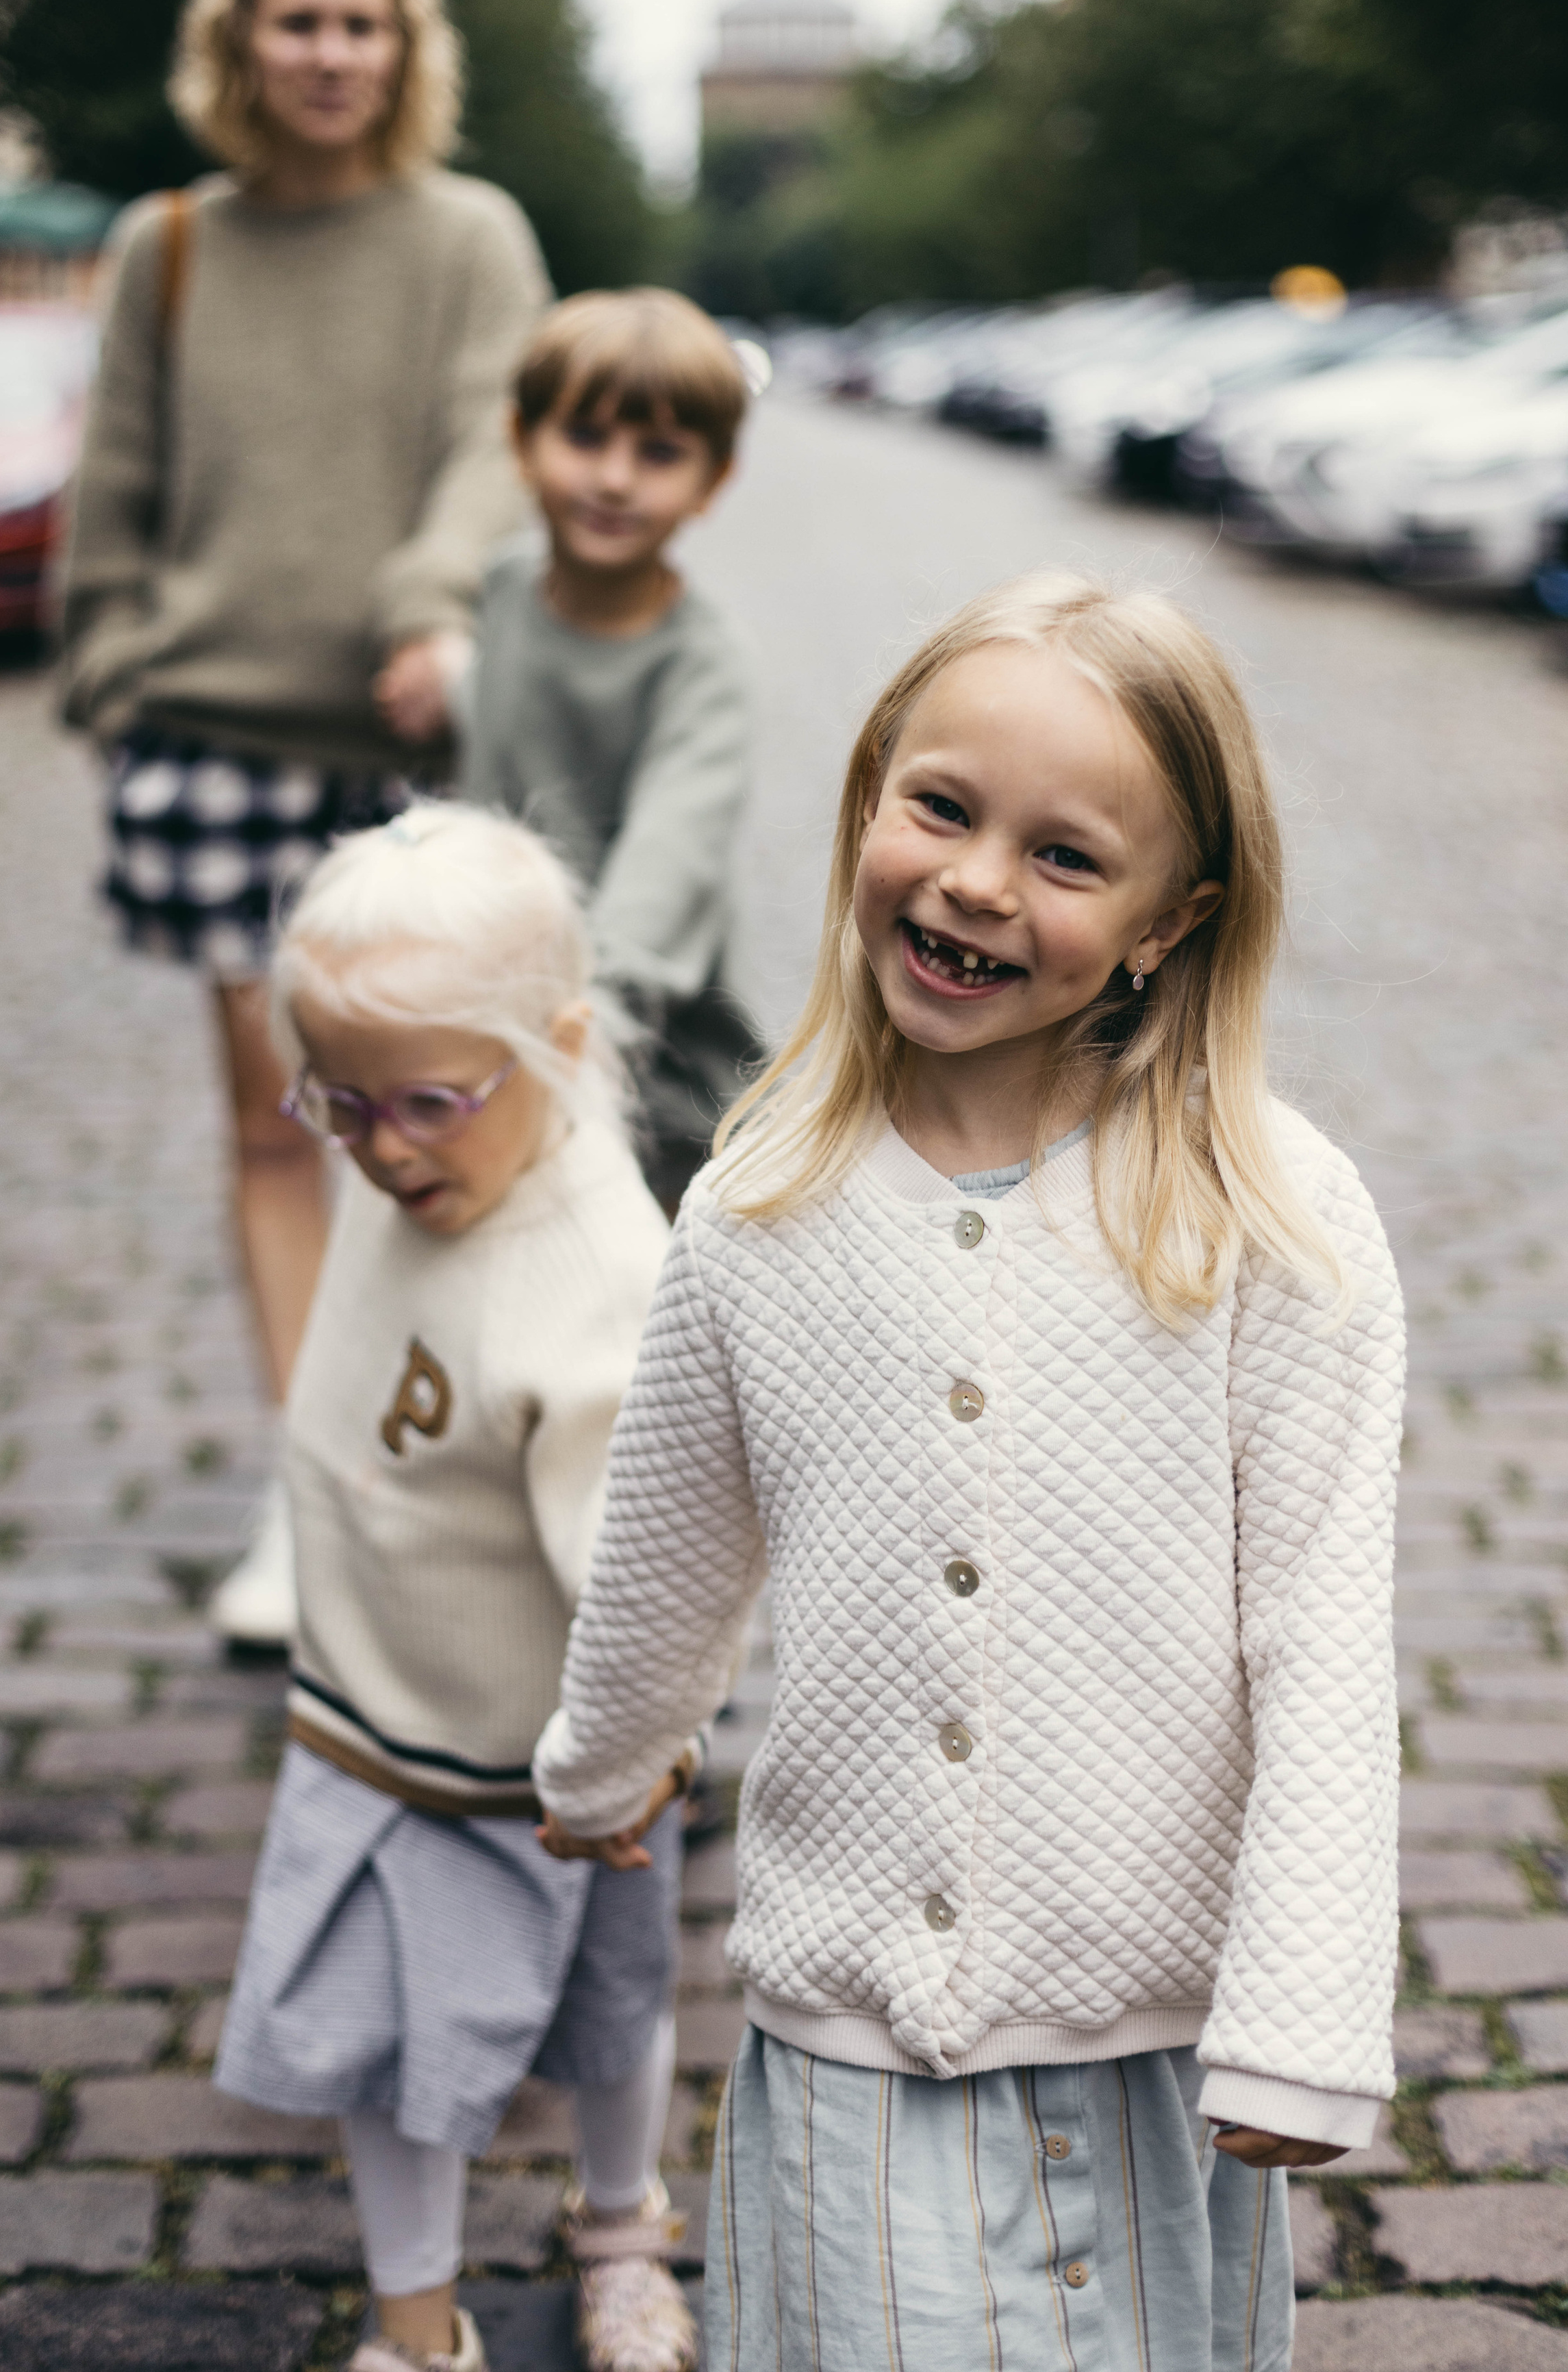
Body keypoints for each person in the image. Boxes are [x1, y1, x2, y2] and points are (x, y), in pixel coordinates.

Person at [534, 572, 1404, 2370]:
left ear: (1175, 919)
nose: (976, 882)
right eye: (939, 806)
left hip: (1151, 2041)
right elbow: (671, 1545)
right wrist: (605, 1761)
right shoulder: (757, 1206)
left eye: (1068, 856)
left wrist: (1304, 2015)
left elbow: (1321, 1631)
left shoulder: (1276, 1221)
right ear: (867, 800)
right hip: (852, 2031)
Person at [58, 0, 548, 1644]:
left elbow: (493, 449)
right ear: (243, 43)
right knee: (281, 1140)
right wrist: (112, 663)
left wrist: (431, 603)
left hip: (409, 755)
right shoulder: (165, 247)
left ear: (401, 41)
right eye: (299, 21)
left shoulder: (470, 235)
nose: (331, 52)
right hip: (211, 745)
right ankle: (319, 1494)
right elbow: (109, 481)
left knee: (437, 1128)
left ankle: (461, 1475)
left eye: (362, 22)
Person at [213, 804, 700, 2372]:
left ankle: (622, 2219)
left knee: (616, 2012)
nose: (380, 1142)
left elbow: (655, 1574)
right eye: (337, 1101)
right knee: (381, 2035)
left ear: (556, 1046)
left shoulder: (597, 1285)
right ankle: (414, 2320)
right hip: (368, 1723)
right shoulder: (401, 1152)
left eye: (424, 1100)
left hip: (566, 1762)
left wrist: (621, 1758)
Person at [457, 288, 763, 1215]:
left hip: (638, 1055)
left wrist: (569, 1042)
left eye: (660, 453)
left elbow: (662, 879)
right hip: (475, 1019)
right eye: (585, 436)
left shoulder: (703, 666)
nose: (616, 477)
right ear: (522, 443)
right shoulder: (502, 592)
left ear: (713, 482)